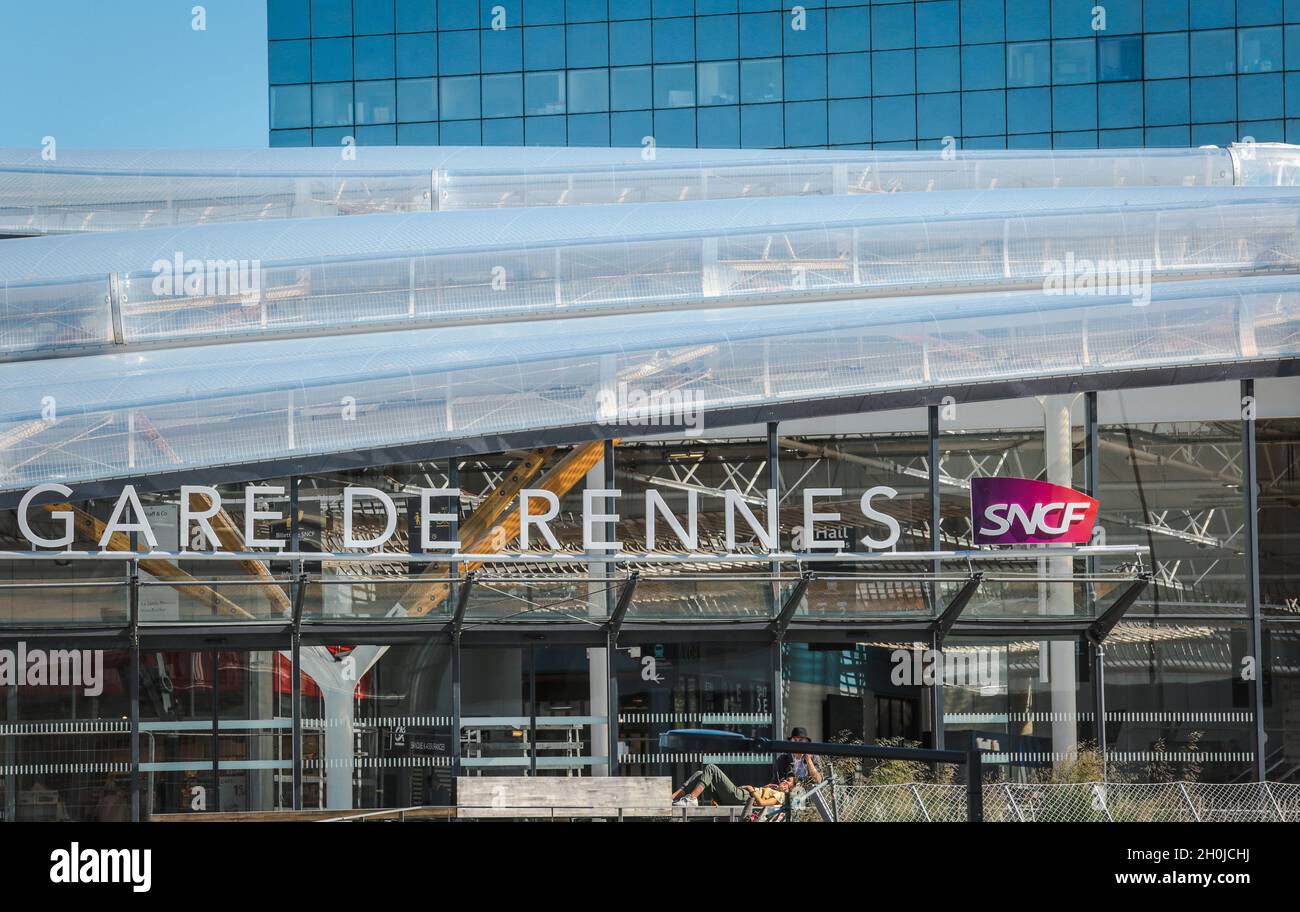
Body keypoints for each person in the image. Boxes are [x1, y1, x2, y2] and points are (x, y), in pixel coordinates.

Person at [670, 763, 796, 808]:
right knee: (699, 773)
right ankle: (671, 799)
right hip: (740, 796)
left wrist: (752, 790)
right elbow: (762, 796)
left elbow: (762, 803)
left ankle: (691, 799)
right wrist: (764, 788)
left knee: (712, 768)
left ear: (790, 789)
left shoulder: (781, 796)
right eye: (785, 780)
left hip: (742, 797)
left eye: (788, 782)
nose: (784, 781)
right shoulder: (773, 789)